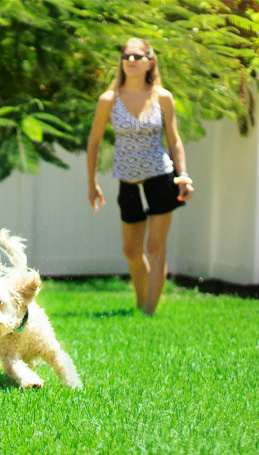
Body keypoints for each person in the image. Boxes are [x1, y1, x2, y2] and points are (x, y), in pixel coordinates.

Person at [86, 38, 194, 316]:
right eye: (126, 56)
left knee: (155, 246)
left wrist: (183, 175)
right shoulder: (109, 100)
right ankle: (140, 300)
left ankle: (149, 312)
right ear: (121, 62)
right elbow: (94, 143)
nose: (131, 61)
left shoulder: (162, 97)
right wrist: (92, 183)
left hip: (160, 177)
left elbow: (174, 140)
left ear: (150, 61)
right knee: (131, 252)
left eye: (137, 56)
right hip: (128, 181)